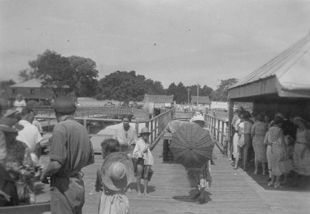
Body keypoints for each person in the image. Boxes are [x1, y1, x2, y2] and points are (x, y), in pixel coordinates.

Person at [40, 96, 94, 214]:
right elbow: (89, 159)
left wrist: (44, 174)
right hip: (78, 184)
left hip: (63, 187)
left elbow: (56, 164)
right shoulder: (82, 129)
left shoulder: (60, 128)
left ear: (56, 112)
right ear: (73, 112)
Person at [96, 139, 134, 214]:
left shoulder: (101, 169)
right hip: (122, 200)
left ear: (108, 152)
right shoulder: (122, 167)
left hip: (107, 200)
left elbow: (98, 187)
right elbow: (127, 185)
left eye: (102, 151)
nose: (101, 153)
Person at [264, 116, 287, 188]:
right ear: (280, 123)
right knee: (278, 165)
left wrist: (271, 144)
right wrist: (285, 151)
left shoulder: (269, 129)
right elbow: (283, 142)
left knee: (272, 165)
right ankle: (277, 183)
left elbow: (266, 142)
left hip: (271, 148)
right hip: (278, 148)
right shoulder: (280, 130)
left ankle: (271, 181)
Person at [133, 127, 154, 195]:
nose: (146, 135)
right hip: (140, 160)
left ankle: (145, 190)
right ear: (142, 135)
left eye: (147, 134)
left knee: (146, 176)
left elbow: (149, 152)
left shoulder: (148, 142)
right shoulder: (138, 142)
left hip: (147, 161)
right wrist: (142, 152)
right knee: (139, 176)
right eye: (144, 134)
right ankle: (139, 191)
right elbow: (134, 153)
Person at [292, 117, 310, 184]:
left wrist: (303, 151)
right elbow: (296, 139)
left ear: (302, 122)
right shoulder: (297, 129)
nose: (298, 124)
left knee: (304, 164)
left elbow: (308, 142)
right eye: (297, 123)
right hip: (297, 146)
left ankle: (305, 182)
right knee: (296, 164)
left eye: (299, 122)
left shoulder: (307, 131)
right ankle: (295, 182)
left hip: (303, 147)